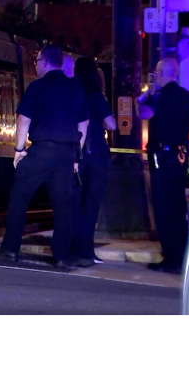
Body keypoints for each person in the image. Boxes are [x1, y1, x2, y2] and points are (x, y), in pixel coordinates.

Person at [0, 44, 89, 272]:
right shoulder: (75, 88)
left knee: (19, 197)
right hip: (66, 153)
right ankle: (60, 256)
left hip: (41, 150)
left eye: (37, 62)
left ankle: (10, 249)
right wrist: (76, 155)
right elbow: (84, 123)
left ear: (45, 62)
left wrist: (19, 149)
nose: (35, 66)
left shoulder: (37, 87)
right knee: (62, 206)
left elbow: (24, 120)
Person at [137, 57, 189, 274]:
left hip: (162, 156)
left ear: (161, 73)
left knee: (163, 207)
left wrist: (140, 99)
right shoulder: (186, 97)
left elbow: (144, 113)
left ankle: (170, 258)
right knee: (178, 206)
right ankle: (181, 255)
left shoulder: (161, 96)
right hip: (181, 155)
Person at [68, 57, 117, 268]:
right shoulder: (97, 96)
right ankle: (87, 251)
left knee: (74, 203)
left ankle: (75, 250)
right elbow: (112, 124)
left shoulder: (72, 93)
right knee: (91, 204)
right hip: (97, 154)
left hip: (75, 152)